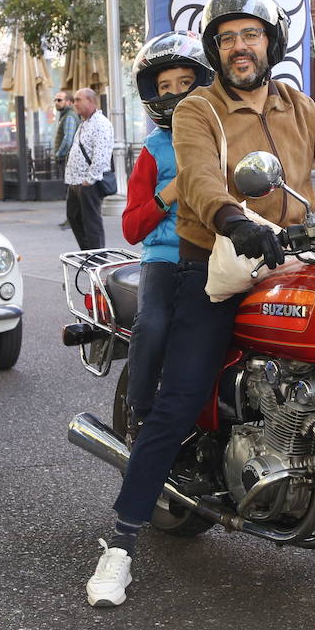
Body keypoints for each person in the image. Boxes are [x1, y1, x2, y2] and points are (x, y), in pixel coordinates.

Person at [84, 0, 315, 609]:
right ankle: (121, 544)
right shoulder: (199, 110)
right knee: (177, 402)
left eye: (251, 34)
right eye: (228, 38)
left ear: (271, 40)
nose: (241, 48)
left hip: (290, 252)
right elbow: (198, 173)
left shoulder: (296, 105)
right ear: (216, 50)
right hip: (212, 262)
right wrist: (231, 217)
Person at [120, 31, 214, 438]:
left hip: (218, 255)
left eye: (184, 83)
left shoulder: (221, 139)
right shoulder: (153, 150)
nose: (175, 92)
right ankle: (138, 412)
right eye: (164, 86)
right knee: (154, 324)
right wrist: (167, 195)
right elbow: (130, 227)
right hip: (164, 258)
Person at [64, 88, 113, 251]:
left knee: (91, 221)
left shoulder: (101, 124)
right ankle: (88, 252)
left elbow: (101, 155)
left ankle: (97, 256)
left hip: (88, 182)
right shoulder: (85, 123)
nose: (74, 103)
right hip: (75, 181)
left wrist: (89, 180)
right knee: (73, 216)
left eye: (78, 100)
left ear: (91, 101)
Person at [54, 91, 80, 227]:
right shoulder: (65, 116)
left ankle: (72, 218)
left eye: (60, 100)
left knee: (71, 189)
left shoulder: (69, 117)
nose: (57, 103)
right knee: (71, 188)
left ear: (69, 102)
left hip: (68, 158)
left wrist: (59, 153)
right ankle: (72, 217)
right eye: (56, 100)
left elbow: (68, 139)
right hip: (69, 157)